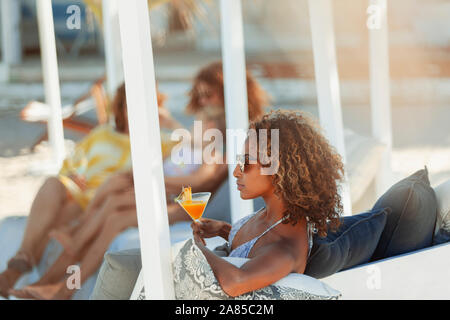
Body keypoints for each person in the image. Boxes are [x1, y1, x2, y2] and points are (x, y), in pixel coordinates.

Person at [0, 83, 168, 298]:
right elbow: (71, 163)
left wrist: (166, 120)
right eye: (130, 106)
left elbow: (179, 156)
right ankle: (22, 266)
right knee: (53, 183)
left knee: (61, 217)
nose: (135, 112)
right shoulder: (102, 133)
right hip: (80, 191)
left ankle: (25, 277)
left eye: (144, 107)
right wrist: (71, 174)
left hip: (105, 198)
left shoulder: (160, 142)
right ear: (120, 108)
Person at [190, 110, 344, 297]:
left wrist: (195, 248)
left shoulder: (286, 246)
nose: (236, 172)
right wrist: (224, 230)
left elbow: (235, 283)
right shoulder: (274, 214)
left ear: (279, 167)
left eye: (246, 162)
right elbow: (258, 245)